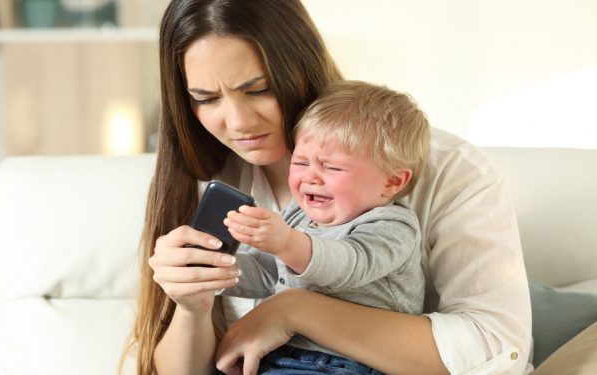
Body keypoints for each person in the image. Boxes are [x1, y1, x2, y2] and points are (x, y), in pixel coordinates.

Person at [126, 1, 532, 375]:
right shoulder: (207, 176)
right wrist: (192, 304)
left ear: (301, 65)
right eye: (207, 98)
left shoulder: (446, 168)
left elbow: (498, 347)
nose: (237, 123)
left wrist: (295, 309)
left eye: (258, 90)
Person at [218, 80, 429, 374]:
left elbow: (347, 266)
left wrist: (286, 242)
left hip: (352, 361)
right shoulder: (298, 216)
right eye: (301, 163)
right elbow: (269, 272)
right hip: (282, 353)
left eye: (331, 167)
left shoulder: (392, 225)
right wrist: (219, 271)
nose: (310, 178)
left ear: (391, 182)